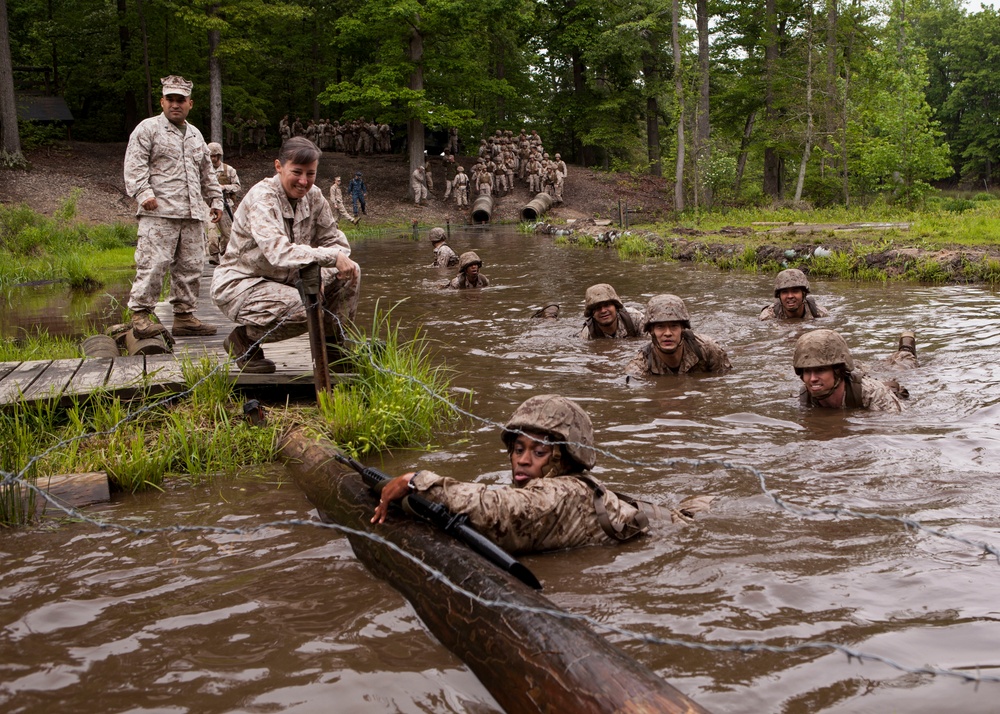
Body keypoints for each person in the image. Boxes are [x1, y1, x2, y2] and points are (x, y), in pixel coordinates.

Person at [371, 395, 669, 553]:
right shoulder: (568, 488)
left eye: (538, 453)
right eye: (517, 449)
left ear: (563, 459)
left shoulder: (563, 492)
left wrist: (416, 480)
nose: (522, 461)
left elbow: (502, 510)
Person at [211, 137, 361, 374]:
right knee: (306, 309)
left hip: (289, 278)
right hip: (243, 283)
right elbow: (278, 252)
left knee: (351, 272)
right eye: (297, 172)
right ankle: (243, 340)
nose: (304, 181)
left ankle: (333, 348)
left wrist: (321, 270)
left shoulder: (315, 197)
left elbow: (336, 242)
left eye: (310, 174)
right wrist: (328, 258)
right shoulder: (262, 198)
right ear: (279, 166)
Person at [123, 75, 223, 339]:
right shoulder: (148, 129)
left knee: (191, 266)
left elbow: (206, 171)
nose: (175, 104)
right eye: (170, 99)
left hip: (191, 212)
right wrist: (143, 193)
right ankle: (141, 315)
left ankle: (184, 316)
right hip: (159, 212)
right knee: (153, 263)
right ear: (162, 101)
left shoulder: (195, 134)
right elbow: (134, 165)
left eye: (181, 100)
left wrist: (215, 199)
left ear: (190, 103)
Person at [793, 329, 915, 412]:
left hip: (884, 379)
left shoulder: (874, 393)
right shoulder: (805, 398)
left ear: (837, 371)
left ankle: (906, 346)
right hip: (859, 371)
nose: (812, 379)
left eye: (820, 370)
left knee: (902, 364)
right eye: (807, 371)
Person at [625, 294, 732, 377]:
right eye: (660, 327)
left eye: (674, 326)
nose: (667, 333)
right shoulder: (640, 366)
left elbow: (723, 384)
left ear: (683, 329)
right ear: (651, 331)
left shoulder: (708, 349)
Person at [205, 142, 241, 265]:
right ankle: (214, 255)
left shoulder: (229, 170)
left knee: (227, 233)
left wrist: (224, 187)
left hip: (226, 204)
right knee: (212, 232)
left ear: (219, 156)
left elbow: (237, 186)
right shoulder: (204, 170)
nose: (213, 159)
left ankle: (226, 254)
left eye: (215, 156)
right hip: (210, 204)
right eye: (211, 156)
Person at [759, 269, 829, 320]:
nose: (790, 296)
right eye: (785, 292)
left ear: (804, 293)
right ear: (779, 296)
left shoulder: (820, 313)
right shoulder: (768, 317)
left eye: (795, 291)